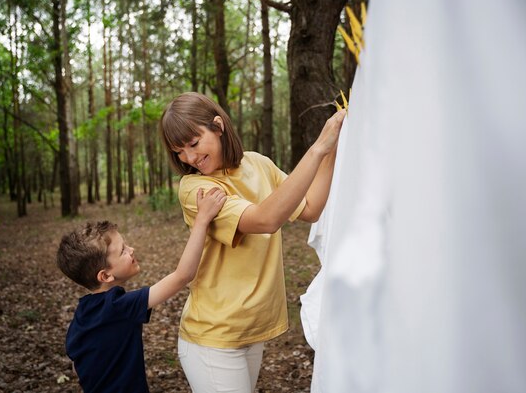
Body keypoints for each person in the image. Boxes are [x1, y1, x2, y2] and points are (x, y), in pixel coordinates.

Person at [159, 91, 345, 393]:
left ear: (218, 126)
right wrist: (316, 149)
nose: (189, 158)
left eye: (193, 144)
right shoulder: (196, 188)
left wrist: (331, 151)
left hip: (250, 332)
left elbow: (310, 208)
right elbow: (264, 220)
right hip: (213, 339)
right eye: (179, 151)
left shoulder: (258, 164)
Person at [56, 187, 227, 393]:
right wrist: (202, 220)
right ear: (105, 275)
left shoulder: (83, 313)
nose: (131, 250)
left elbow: (76, 365)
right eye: (123, 251)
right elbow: (183, 276)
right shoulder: (118, 307)